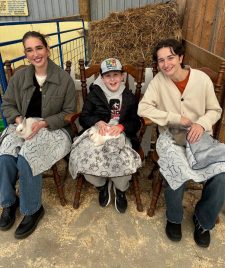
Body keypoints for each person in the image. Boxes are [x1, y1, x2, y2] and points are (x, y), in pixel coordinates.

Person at [138, 38, 225, 247]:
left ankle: (203, 221)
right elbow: (143, 109)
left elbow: (215, 110)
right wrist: (174, 118)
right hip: (171, 136)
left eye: (170, 58)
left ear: (180, 57)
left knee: (222, 172)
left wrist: (201, 124)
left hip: (199, 136)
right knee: (175, 167)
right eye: (161, 60)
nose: (166, 64)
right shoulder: (158, 82)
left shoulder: (202, 79)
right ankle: (174, 218)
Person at [0, 31, 76, 239]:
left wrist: (44, 123)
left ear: (47, 49)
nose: (35, 54)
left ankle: (32, 209)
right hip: (25, 125)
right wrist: (18, 121)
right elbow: (7, 104)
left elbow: (69, 113)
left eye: (39, 48)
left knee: (27, 157)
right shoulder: (19, 77)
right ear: (26, 54)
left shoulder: (63, 79)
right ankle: (9, 202)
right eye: (29, 50)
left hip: (54, 130)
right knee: (5, 155)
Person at [69, 58, 141, 213]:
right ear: (102, 77)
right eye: (108, 76)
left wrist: (122, 126)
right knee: (84, 157)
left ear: (122, 76)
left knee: (123, 159)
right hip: (98, 133)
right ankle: (101, 185)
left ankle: (120, 189)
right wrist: (97, 122)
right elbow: (84, 117)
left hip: (120, 134)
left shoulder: (128, 97)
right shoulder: (94, 93)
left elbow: (135, 122)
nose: (113, 79)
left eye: (116, 74)